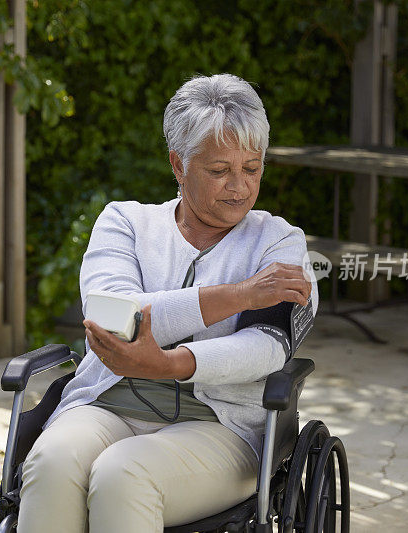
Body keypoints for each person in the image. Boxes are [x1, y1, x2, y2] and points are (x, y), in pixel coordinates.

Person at [17, 73, 317, 533]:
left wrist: (170, 364)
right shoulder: (125, 223)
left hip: (221, 425)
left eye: (252, 168)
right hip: (106, 404)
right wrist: (241, 294)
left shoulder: (278, 243)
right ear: (178, 165)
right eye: (219, 170)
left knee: (123, 475)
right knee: (52, 463)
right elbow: (113, 316)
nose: (239, 187)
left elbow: (267, 346)